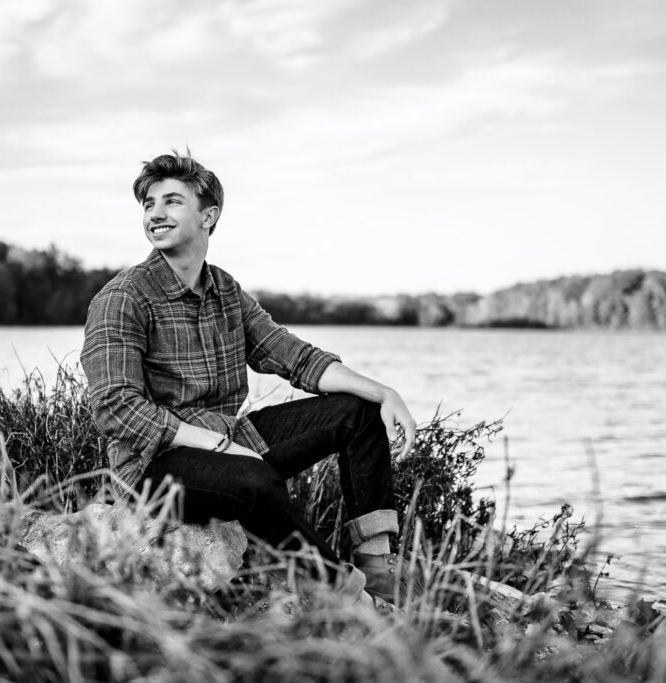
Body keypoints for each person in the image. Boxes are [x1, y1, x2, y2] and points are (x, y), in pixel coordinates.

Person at [81, 151, 418, 604]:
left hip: (231, 440)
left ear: (209, 216)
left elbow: (294, 357)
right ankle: (341, 592)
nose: (155, 213)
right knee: (254, 481)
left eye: (172, 201)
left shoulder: (224, 291)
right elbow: (114, 407)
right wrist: (217, 446)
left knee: (359, 413)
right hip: (151, 468)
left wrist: (383, 392)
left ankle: (377, 569)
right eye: (148, 204)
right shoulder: (123, 296)